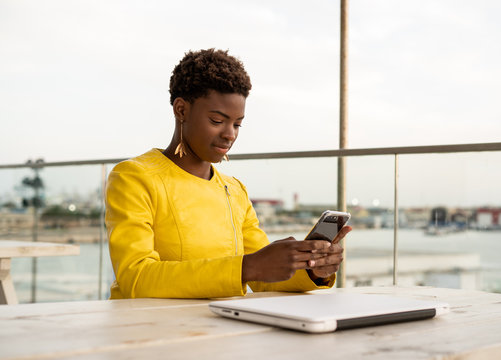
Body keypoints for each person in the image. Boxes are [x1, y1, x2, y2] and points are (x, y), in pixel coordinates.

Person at [105, 48, 352, 299]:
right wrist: (248, 266)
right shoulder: (134, 177)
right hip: (150, 328)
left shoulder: (234, 190)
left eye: (237, 124)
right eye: (216, 120)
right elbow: (136, 277)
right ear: (181, 110)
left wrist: (312, 269)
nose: (230, 134)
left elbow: (262, 278)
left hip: (222, 325)